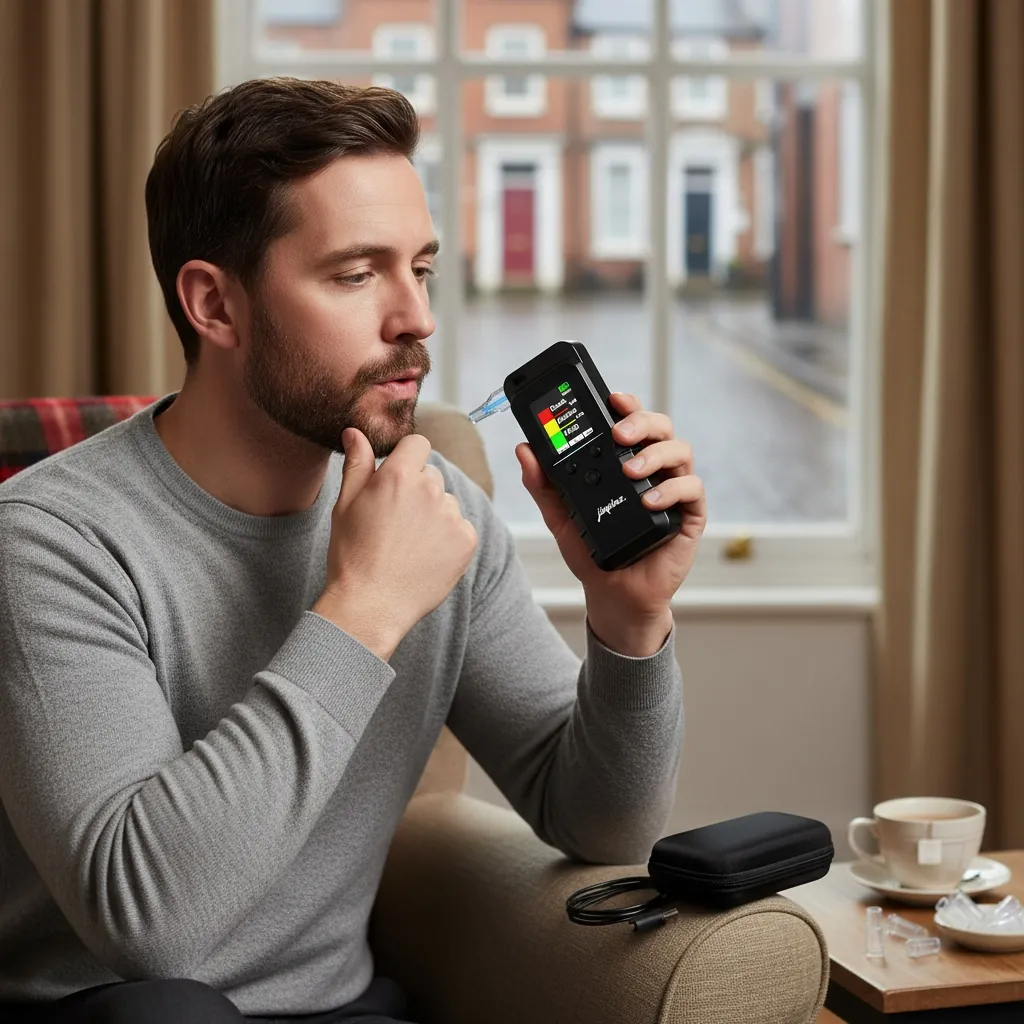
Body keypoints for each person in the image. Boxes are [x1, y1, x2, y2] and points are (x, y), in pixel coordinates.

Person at [0, 79, 706, 1024]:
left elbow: (600, 824)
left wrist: (630, 619)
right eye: (355, 273)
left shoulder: (434, 507)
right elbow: (152, 931)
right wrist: (364, 607)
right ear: (215, 304)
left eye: (421, 267)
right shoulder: (52, 540)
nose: (415, 317)